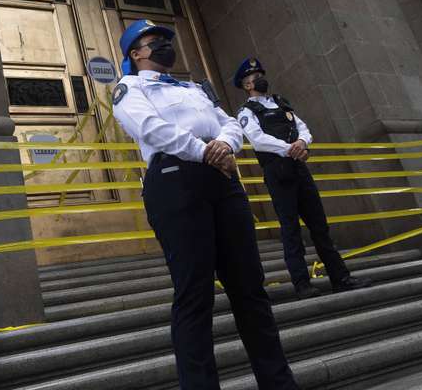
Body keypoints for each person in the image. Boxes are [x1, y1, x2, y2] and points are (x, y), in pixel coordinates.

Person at [112, 19, 298, 390]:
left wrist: (226, 145)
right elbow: (148, 128)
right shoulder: (128, 87)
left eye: (167, 40)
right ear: (136, 53)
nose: (165, 46)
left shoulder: (194, 88)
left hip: (223, 181)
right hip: (175, 181)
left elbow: (228, 123)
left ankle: (279, 383)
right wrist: (204, 151)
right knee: (194, 295)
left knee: (250, 289)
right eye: (155, 42)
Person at [232, 57, 369, 300]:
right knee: (291, 229)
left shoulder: (282, 103)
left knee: (319, 226)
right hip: (278, 171)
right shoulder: (246, 111)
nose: (261, 80)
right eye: (255, 77)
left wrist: (302, 142)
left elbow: (303, 128)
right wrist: (289, 148)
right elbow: (257, 139)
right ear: (246, 85)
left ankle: (341, 277)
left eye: (261, 74)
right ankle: (302, 283)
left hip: (298, 168)